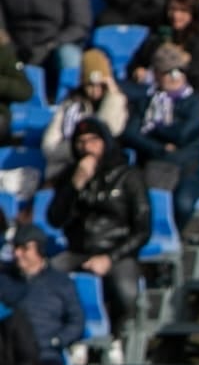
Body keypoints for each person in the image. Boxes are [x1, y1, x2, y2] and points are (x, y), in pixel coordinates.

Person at [46, 118, 149, 334]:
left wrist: (109, 257)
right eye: (80, 142)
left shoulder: (128, 176)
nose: (86, 147)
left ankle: (116, 335)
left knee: (125, 292)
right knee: (43, 281)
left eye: (93, 140)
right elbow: (55, 219)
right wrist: (74, 185)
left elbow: (142, 230)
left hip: (116, 250)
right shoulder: (71, 175)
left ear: (105, 142)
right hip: (78, 249)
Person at [121, 43, 199, 228]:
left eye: (178, 72)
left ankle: (177, 237)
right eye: (168, 72)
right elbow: (130, 134)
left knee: (182, 204)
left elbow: (184, 134)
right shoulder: (147, 101)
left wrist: (154, 128)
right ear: (157, 75)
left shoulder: (196, 102)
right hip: (150, 163)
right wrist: (158, 147)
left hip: (185, 168)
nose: (174, 78)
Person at [1, 224, 79, 365]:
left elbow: (76, 320)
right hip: (11, 356)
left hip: (46, 351)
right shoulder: (4, 279)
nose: (18, 254)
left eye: (24, 248)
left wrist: (58, 340)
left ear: (39, 250)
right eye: (15, 248)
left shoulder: (60, 282)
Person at [0, 0, 90, 95]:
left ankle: (65, 100)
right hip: (17, 46)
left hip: (54, 45)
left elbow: (80, 24)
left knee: (69, 55)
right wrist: (10, 47)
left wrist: (49, 46)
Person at [43, 48, 127, 181]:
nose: (95, 90)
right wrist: (79, 149)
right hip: (63, 171)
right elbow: (49, 147)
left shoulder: (116, 101)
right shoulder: (70, 105)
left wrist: (113, 96)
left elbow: (107, 132)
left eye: (101, 85)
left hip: (101, 173)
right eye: (90, 85)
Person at [127, 0, 199, 86]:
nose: (176, 16)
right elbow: (137, 60)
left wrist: (186, 64)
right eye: (172, 9)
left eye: (183, 11)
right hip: (151, 86)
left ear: (193, 13)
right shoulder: (158, 33)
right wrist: (137, 71)